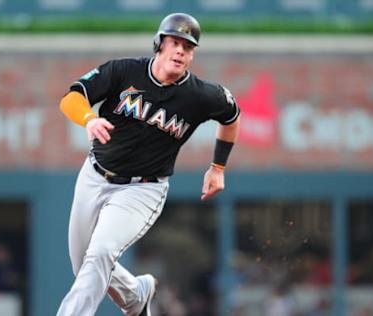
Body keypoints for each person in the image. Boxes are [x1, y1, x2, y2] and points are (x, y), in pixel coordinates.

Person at [56, 12, 241, 316]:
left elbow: (232, 116)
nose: (181, 51)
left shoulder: (201, 95)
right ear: (159, 44)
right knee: (84, 266)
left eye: (189, 46)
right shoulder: (124, 70)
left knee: (100, 254)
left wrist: (218, 167)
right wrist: (89, 119)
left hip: (142, 190)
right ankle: (135, 295)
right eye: (175, 42)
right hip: (95, 175)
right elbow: (71, 97)